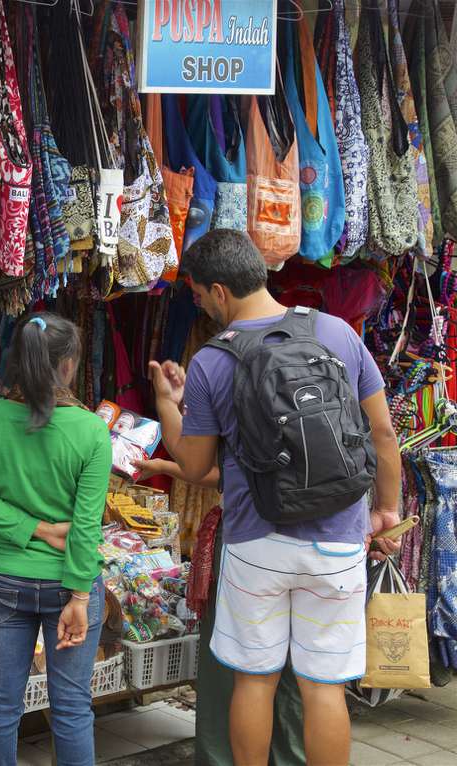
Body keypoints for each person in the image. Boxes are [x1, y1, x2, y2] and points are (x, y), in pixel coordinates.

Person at [148, 229, 401, 766]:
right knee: (324, 687)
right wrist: (386, 511)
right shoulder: (336, 333)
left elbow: (194, 466)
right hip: (337, 540)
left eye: (196, 295)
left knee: (255, 682)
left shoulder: (214, 361)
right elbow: (382, 434)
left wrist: (168, 400)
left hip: (255, 543)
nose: (198, 305)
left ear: (219, 292)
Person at [0, 312, 112, 766]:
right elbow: (85, 527)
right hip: (71, 583)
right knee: (70, 710)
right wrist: (80, 596)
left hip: (8, 578)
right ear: (68, 366)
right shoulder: (90, 431)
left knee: (2, 706)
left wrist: (29, 530)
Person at [136, 458, 306, 766]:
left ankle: (224, 759)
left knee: (234, 670)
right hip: (324, 541)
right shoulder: (351, 407)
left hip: (246, 539)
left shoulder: (231, 405)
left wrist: (167, 412)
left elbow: (203, 466)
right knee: (303, 676)